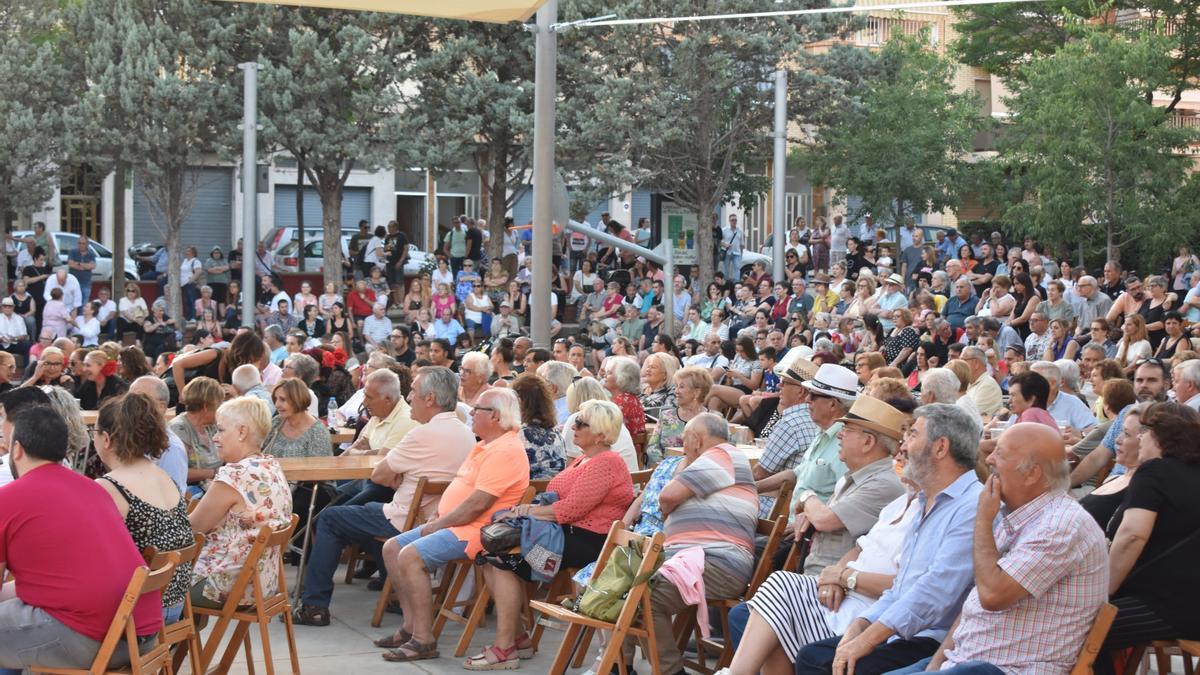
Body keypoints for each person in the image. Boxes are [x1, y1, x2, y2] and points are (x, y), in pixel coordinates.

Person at [886, 423, 1108, 675]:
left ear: (1032, 473)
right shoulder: (1020, 515)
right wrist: (936, 664)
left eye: (1000, 454)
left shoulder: (1061, 524)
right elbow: (975, 604)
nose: (989, 458)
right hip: (966, 661)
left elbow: (992, 596)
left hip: (1010, 670)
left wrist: (982, 520)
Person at [793, 404, 983, 675]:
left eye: (912, 435)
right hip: (900, 628)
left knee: (824, 661)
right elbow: (901, 587)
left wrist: (867, 640)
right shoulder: (925, 501)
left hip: (929, 637)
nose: (901, 447)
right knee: (814, 654)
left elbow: (934, 592)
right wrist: (860, 627)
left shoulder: (971, 505)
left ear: (941, 448)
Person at [726, 403, 915, 675]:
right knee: (755, 609)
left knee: (768, 595)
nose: (839, 433)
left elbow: (825, 518)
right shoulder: (862, 482)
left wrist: (807, 498)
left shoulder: (885, 485)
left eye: (847, 429)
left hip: (845, 596)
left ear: (868, 441)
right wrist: (834, 570)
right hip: (827, 581)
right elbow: (857, 542)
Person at [291, 368, 475, 627]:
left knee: (332, 518)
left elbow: (379, 474)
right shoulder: (466, 433)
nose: (409, 397)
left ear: (430, 398)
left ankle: (314, 605)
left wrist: (398, 473)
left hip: (408, 518)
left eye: (413, 392)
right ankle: (399, 593)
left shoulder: (421, 434)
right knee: (363, 513)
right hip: (436, 518)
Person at [0, 389, 163, 672]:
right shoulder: (92, 488)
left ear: (17, 449)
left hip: (92, 637)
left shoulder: (9, 498)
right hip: (141, 635)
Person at [471, 400, 636, 669]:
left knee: (501, 560)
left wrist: (524, 511)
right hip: (568, 534)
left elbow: (569, 510)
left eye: (581, 423)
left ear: (601, 434)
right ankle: (516, 640)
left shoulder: (606, 462)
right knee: (491, 555)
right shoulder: (586, 458)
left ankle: (506, 648)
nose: (574, 426)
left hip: (590, 541)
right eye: (575, 421)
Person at [376, 388, 530, 662]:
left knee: (409, 556)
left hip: (477, 530)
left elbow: (478, 505)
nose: (470, 412)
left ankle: (423, 640)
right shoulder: (485, 444)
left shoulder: (506, 449)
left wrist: (438, 524)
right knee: (392, 547)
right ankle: (411, 627)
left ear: (494, 416)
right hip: (459, 524)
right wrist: (440, 519)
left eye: (477, 409)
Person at [632, 412, 758, 675]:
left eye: (685, 438)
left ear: (697, 440)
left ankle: (669, 672)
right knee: (629, 583)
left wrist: (671, 513)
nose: (682, 444)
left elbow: (667, 497)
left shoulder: (721, 455)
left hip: (716, 564)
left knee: (643, 596)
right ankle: (615, 665)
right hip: (700, 561)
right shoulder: (723, 457)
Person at [1100, 402, 1200, 674]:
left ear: (1161, 435)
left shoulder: (1155, 472)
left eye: (1145, 430)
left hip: (1168, 605)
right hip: (1185, 603)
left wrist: (1102, 591)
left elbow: (1132, 536)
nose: (1140, 437)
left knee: (1080, 626)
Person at [94, 393, 195, 622]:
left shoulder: (110, 486)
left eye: (95, 433)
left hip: (139, 614)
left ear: (106, 439)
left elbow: (93, 556)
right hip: (175, 604)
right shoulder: (163, 475)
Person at [188, 397, 293, 609]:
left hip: (226, 587)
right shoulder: (270, 466)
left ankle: (173, 641)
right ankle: (185, 641)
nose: (215, 438)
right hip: (262, 585)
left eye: (220, 430)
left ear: (242, 432)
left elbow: (192, 528)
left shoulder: (235, 474)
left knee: (153, 588)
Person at [561, 376, 640, 471]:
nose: (573, 427)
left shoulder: (604, 460)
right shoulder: (613, 419)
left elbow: (568, 470)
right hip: (633, 481)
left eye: (578, 422)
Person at [128, 375, 190, 493]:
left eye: (140, 400)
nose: (130, 405)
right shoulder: (131, 436)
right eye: (129, 399)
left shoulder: (171, 448)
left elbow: (174, 500)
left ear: (161, 407)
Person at [647, 366, 713, 465]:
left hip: (700, 472)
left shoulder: (713, 420)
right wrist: (666, 467)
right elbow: (652, 448)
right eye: (676, 386)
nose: (676, 391)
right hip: (667, 472)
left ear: (697, 392)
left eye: (681, 387)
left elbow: (723, 450)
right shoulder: (666, 416)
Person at [169, 376, 223, 489]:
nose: (220, 409)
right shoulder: (179, 429)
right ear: (206, 407)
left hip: (213, 486)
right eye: (219, 405)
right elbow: (177, 471)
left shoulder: (212, 426)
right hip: (189, 493)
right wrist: (215, 472)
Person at [511, 372, 566, 479]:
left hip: (528, 493)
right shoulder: (556, 433)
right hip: (554, 492)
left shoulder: (518, 434)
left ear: (519, 401)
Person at [604, 356, 646, 440]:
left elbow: (608, 431)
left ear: (622, 378)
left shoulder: (624, 400)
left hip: (621, 449)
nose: (605, 376)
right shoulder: (623, 398)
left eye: (609, 373)